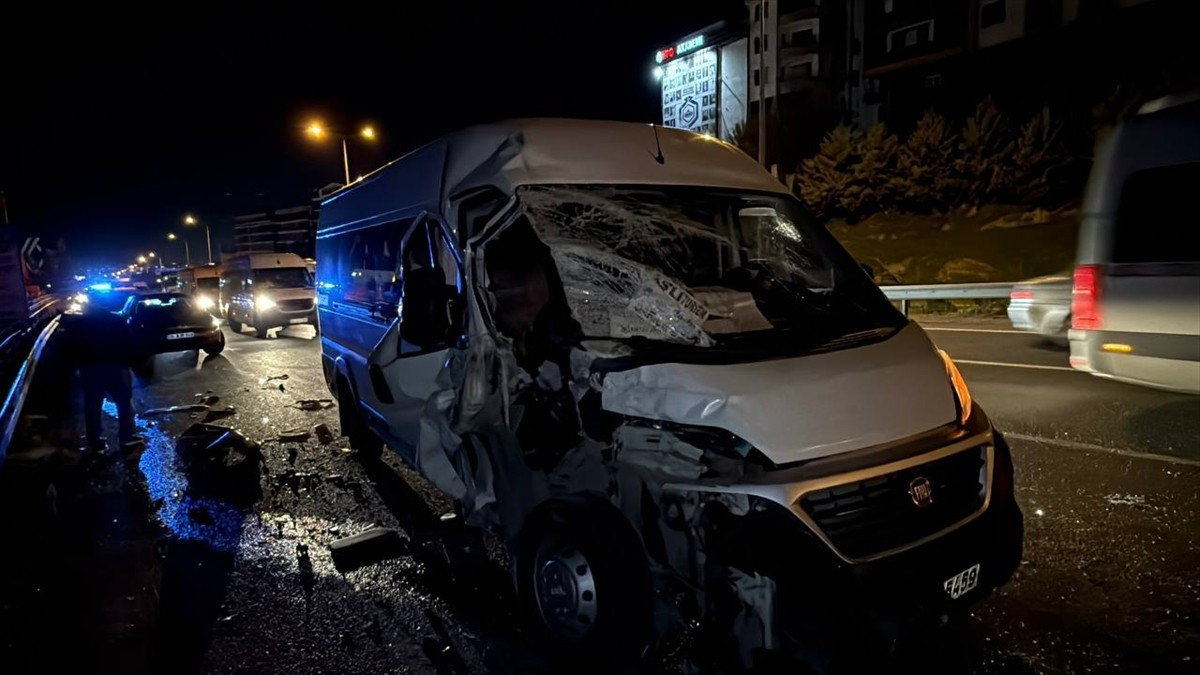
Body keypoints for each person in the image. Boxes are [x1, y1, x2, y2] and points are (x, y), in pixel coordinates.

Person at [67, 304, 143, 450]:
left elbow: (73, 347)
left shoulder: (82, 323)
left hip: (91, 369)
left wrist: (77, 367)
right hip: (117, 367)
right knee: (124, 404)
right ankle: (127, 437)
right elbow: (129, 342)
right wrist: (130, 363)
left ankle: (95, 441)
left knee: (93, 406)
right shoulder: (117, 320)